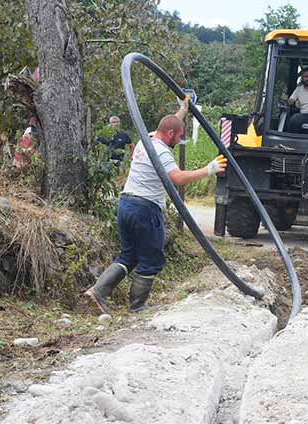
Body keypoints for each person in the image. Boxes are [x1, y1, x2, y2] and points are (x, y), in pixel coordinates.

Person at [85, 98, 227, 314]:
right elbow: (177, 179)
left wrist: (182, 110)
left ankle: (98, 292)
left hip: (126, 204)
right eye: (179, 137)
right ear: (170, 134)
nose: (180, 141)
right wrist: (209, 169)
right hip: (145, 209)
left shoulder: (147, 139)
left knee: (129, 255)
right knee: (152, 258)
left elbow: (169, 124)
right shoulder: (161, 151)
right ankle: (137, 306)